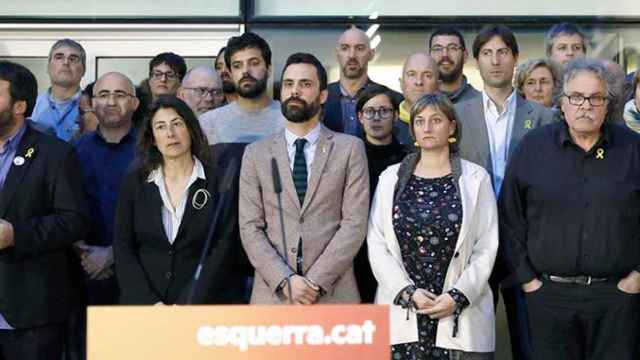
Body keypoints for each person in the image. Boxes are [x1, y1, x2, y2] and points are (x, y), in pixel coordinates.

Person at [501, 58, 640, 360]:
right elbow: (510, 218)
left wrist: (637, 277)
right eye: (576, 97)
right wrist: (528, 280)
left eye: (595, 98)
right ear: (562, 103)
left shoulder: (634, 149)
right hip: (548, 297)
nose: (585, 106)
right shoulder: (532, 148)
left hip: (617, 298)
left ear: (608, 104)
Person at [368, 93, 498, 359]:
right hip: (404, 310)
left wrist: (458, 295)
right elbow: (377, 242)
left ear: (451, 127)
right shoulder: (390, 178)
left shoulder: (476, 179)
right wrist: (406, 292)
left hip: (459, 312)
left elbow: (487, 245)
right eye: (419, 121)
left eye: (436, 120)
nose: (426, 127)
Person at [455, 25, 554, 360]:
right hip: (473, 241)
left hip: (526, 241)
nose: (495, 61)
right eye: (487, 53)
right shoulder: (455, 117)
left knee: (528, 338)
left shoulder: (544, 117)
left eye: (502, 53)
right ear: (475, 61)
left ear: (515, 58)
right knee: (472, 340)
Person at [239, 52, 369, 304]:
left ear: (322, 96)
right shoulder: (255, 154)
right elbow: (250, 227)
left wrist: (315, 282)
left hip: (333, 294)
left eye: (305, 84)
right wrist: (284, 280)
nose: (294, 91)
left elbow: (354, 224)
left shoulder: (349, 149)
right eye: (288, 84)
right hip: (273, 296)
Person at [0, 61, 90, 360]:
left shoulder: (54, 153)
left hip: (29, 313)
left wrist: (17, 234)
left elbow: (74, 221)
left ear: (19, 106)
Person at [113, 95, 237, 305]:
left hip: (202, 307)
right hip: (144, 309)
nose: (170, 134)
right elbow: (123, 246)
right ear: (152, 137)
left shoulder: (219, 181)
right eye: (161, 127)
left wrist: (187, 303)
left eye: (177, 124)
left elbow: (224, 249)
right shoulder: (135, 182)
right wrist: (150, 304)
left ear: (190, 128)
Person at [355, 84, 409, 303]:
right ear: (360, 117)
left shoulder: (410, 160)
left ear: (396, 116)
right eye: (369, 111)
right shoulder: (348, 157)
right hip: (357, 254)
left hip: (399, 253)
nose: (376, 117)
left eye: (384, 111)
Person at [199, 32, 285, 145]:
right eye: (237, 66)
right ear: (230, 73)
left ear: (269, 70)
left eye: (254, 63)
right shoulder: (208, 123)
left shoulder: (289, 119)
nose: (245, 71)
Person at [324, 26, 402, 137]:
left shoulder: (394, 100)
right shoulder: (320, 100)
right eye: (345, 48)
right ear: (337, 54)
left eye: (359, 48)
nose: (352, 55)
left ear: (371, 54)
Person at [31, 39, 86, 141]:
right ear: (48, 67)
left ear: (83, 69)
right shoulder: (31, 106)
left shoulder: (92, 108)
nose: (66, 62)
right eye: (59, 57)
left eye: (73, 59)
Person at [396, 52, 440, 144]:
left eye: (427, 75)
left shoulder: (448, 124)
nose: (419, 82)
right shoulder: (386, 123)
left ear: (438, 85)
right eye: (412, 74)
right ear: (401, 83)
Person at [428, 27, 480, 103]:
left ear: (465, 56)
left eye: (452, 48)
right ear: (429, 56)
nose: (445, 55)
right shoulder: (419, 100)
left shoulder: (480, 103)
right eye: (438, 49)